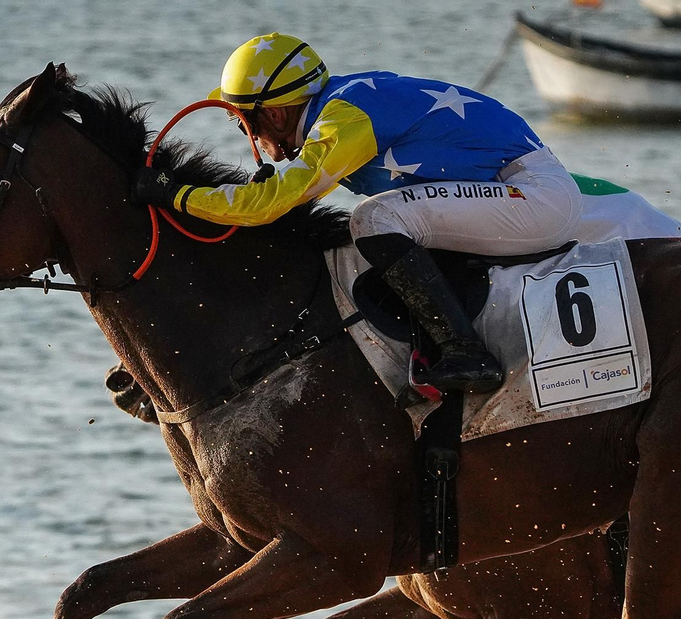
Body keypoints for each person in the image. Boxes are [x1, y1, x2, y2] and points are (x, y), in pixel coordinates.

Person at [133, 34, 586, 394]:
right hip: (526, 191)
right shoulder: (344, 100)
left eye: (244, 123)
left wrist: (175, 194)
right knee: (386, 223)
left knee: (372, 220)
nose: (248, 137)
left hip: (532, 196)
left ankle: (467, 353)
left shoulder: (344, 116)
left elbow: (273, 204)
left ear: (272, 114)